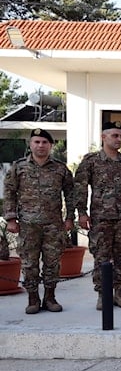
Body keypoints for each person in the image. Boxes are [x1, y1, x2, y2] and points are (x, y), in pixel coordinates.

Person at [3, 128, 74, 314]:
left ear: (51, 145)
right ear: (30, 144)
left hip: (53, 225)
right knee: (29, 264)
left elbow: (70, 194)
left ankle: (50, 298)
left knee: (52, 263)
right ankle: (33, 299)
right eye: (37, 142)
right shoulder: (18, 167)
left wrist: (69, 218)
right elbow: (9, 192)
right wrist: (11, 218)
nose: (40, 145)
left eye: (44, 142)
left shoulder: (60, 168)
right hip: (27, 225)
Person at [74, 120, 121, 310]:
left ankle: (119, 293)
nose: (118, 139)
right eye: (114, 136)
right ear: (103, 137)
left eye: (120, 136)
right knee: (101, 257)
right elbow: (80, 189)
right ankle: (103, 295)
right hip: (101, 218)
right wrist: (82, 213)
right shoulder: (92, 161)